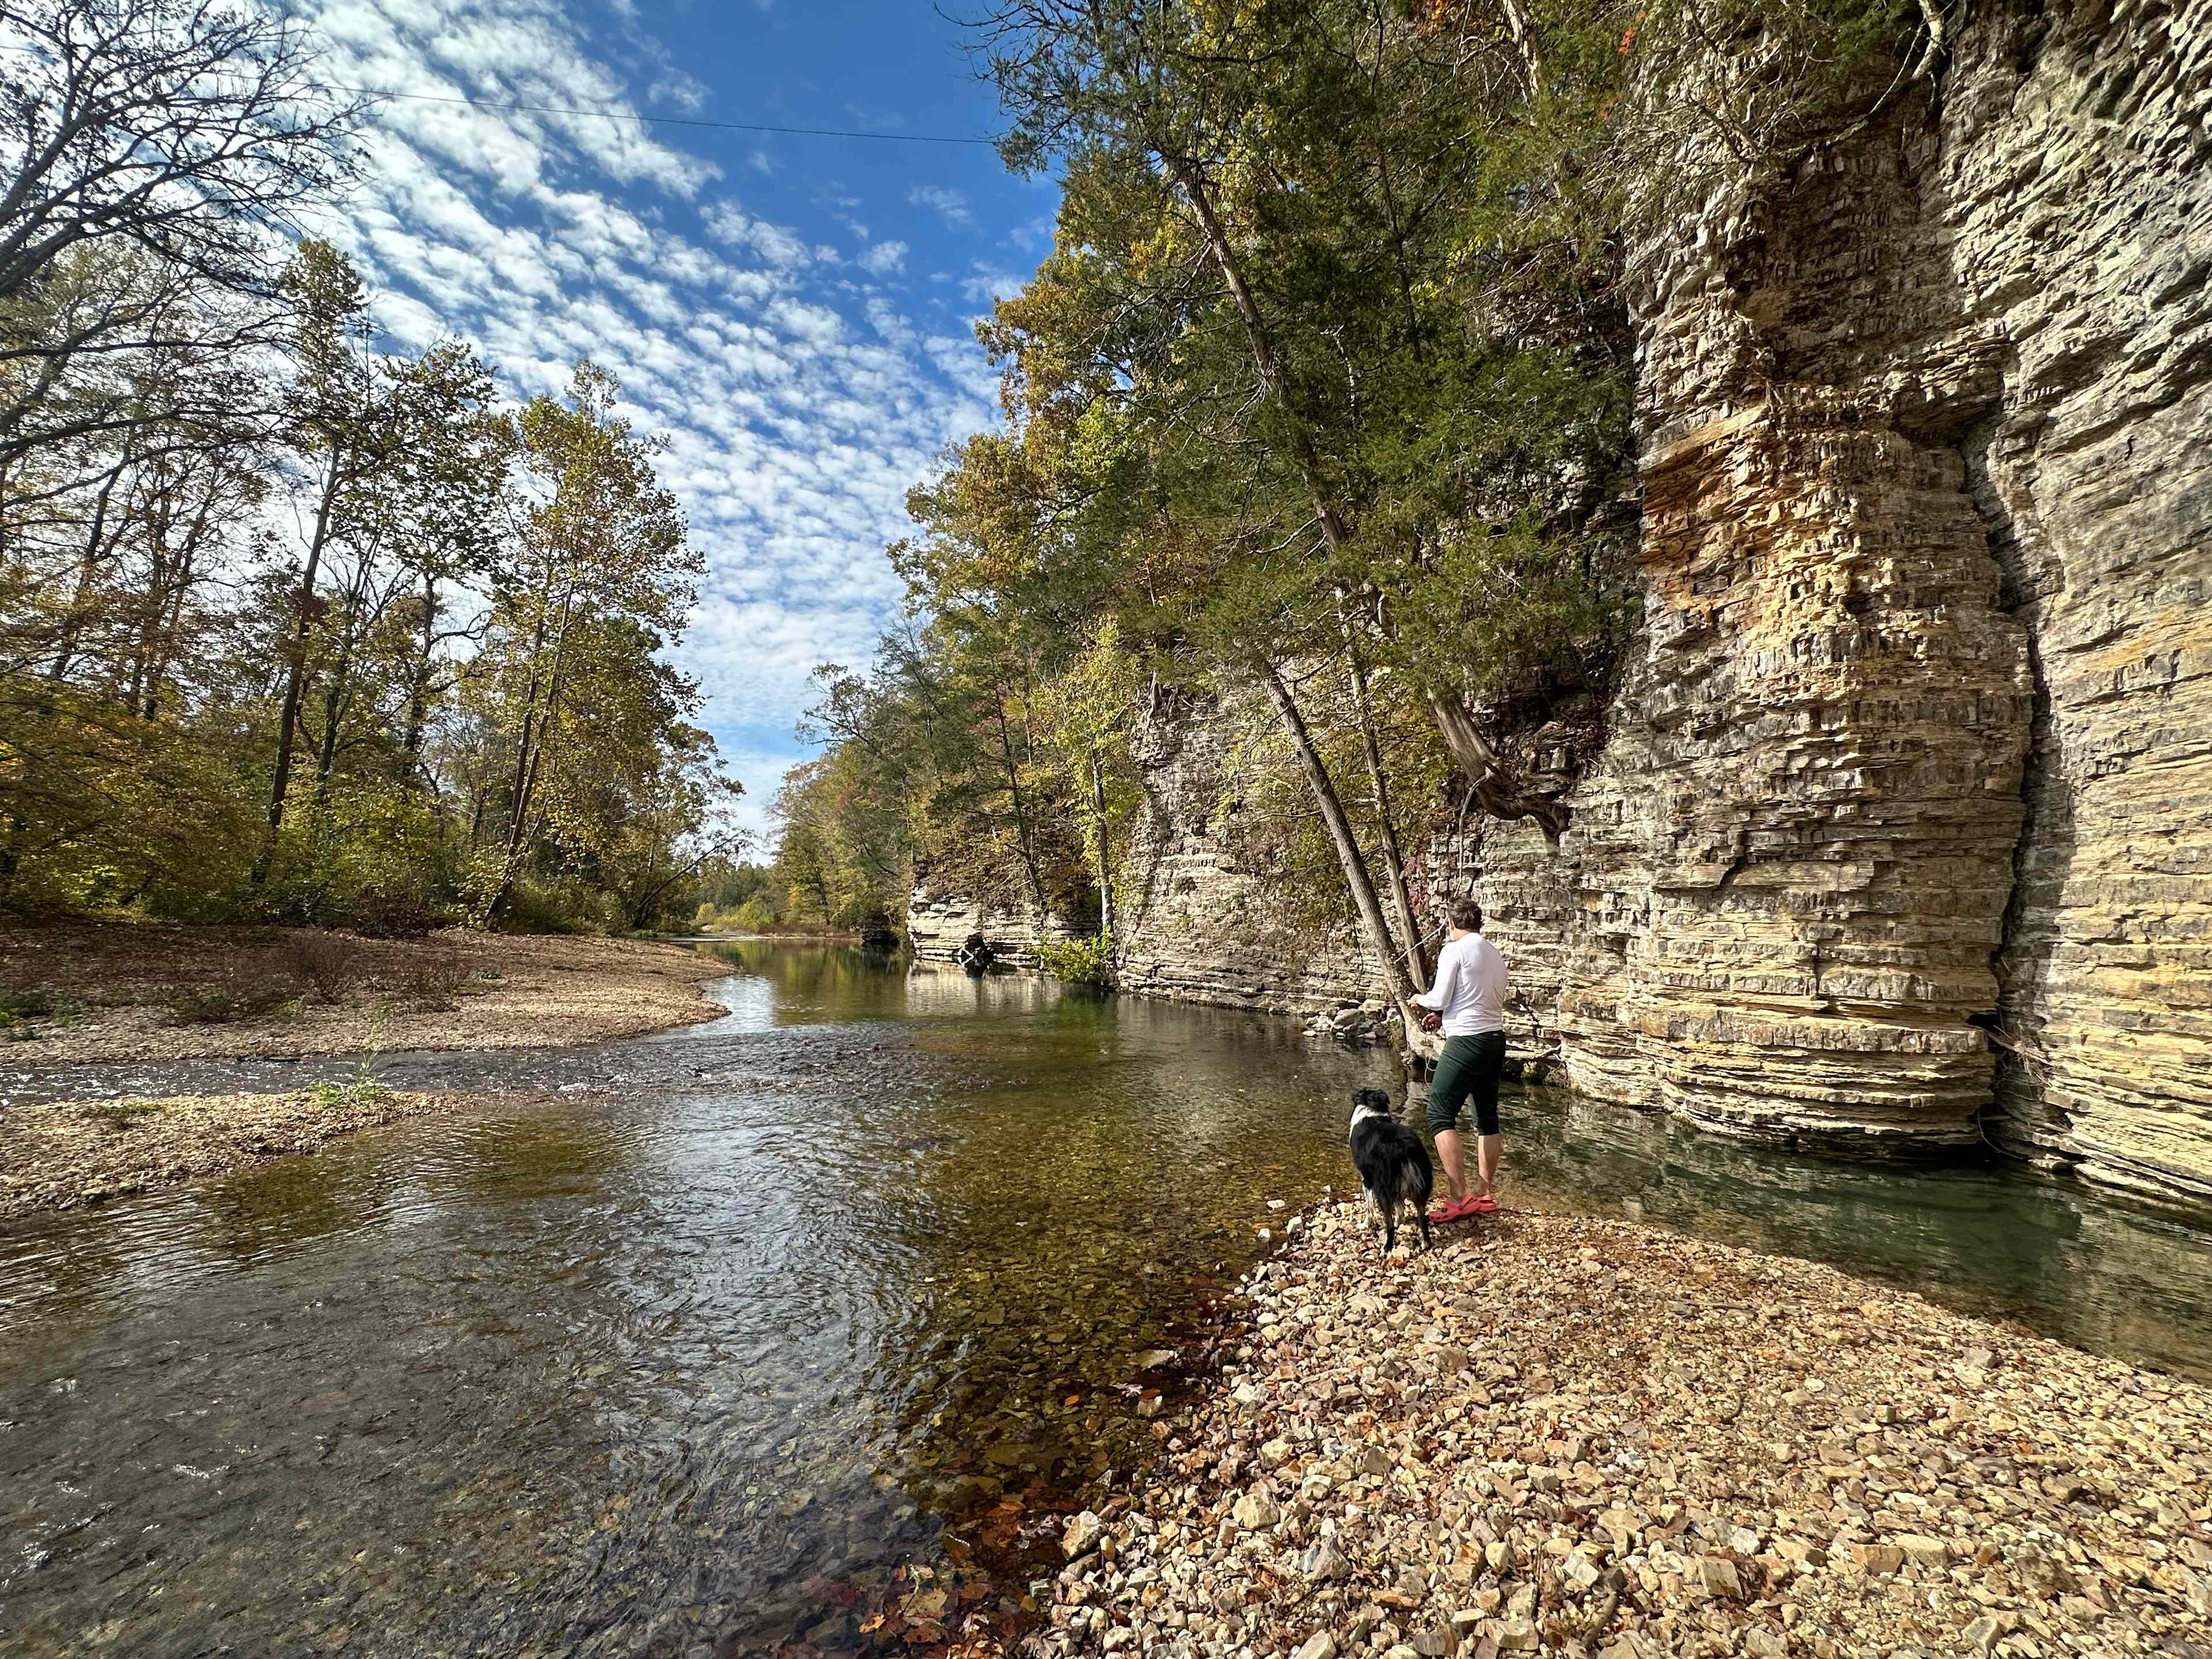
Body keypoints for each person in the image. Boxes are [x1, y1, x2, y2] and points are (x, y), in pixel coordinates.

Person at [1410, 896, 1508, 1221]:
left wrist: (1420, 1000)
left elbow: (1439, 995)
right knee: (1486, 1118)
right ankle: (1484, 1192)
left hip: (1466, 1042)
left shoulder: (1454, 949)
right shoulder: (1494, 953)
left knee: (1439, 1114)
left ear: (1452, 924)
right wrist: (1443, 1015)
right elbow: (1481, 997)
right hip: (1495, 1041)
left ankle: (1458, 1197)